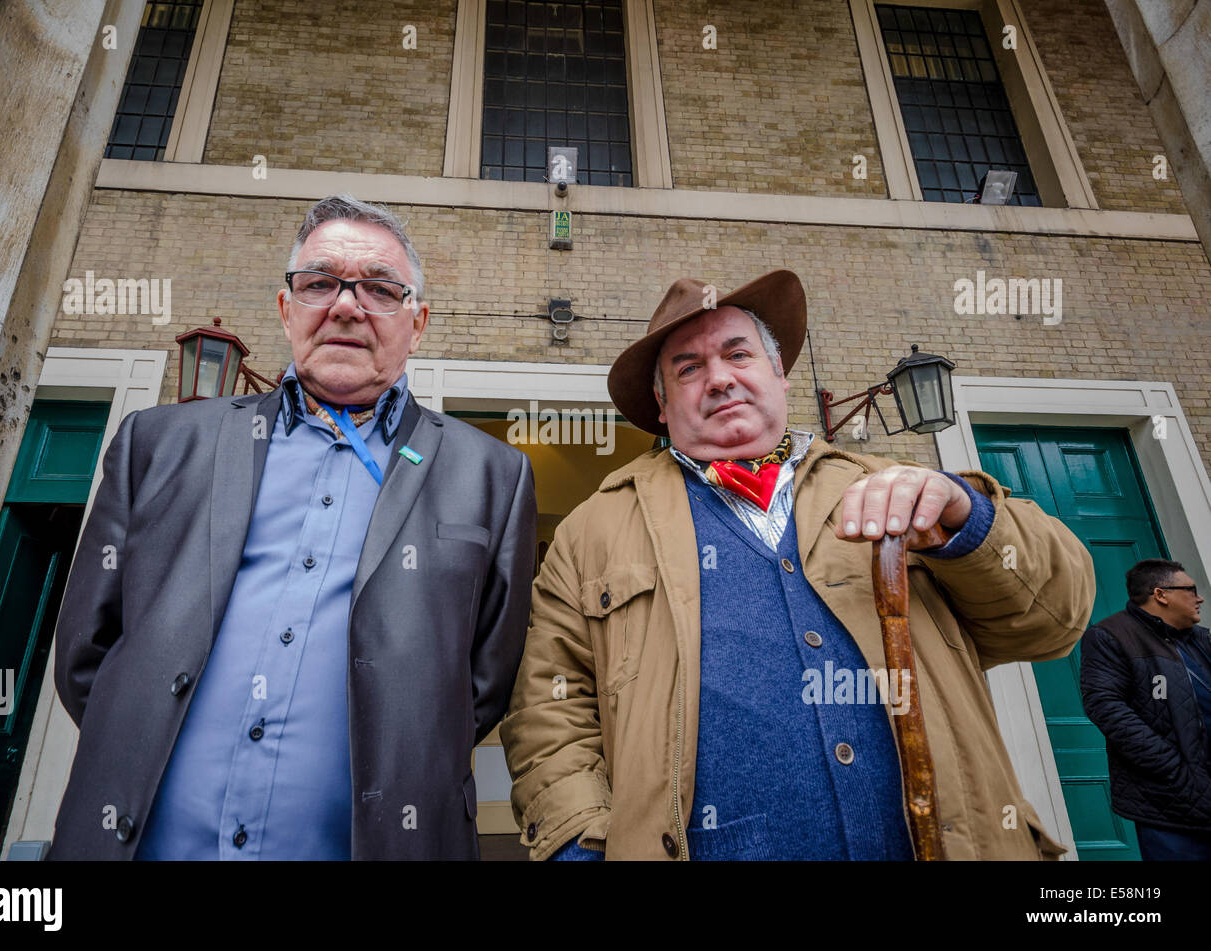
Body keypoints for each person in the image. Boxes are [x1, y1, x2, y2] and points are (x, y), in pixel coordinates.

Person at [499, 268, 1095, 860]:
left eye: (739, 354)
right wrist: (582, 846)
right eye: (688, 368)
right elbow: (549, 711)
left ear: (779, 374)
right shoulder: (593, 530)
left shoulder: (895, 487)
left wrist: (969, 518)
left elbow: (1054, 620)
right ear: (661, 404)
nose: (719, 379)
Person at [48, 195, 536, 860]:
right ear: (287, 309)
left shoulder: (492, 477)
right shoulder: (157, 444)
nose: (345, 305)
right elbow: (89, 656)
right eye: (319, 282)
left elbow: (479, 687)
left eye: (380, 289)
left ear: (417, 323)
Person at [1080, 558, 1211, 860]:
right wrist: (1175, 769)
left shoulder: (1203, 640)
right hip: (1169, 804)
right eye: (1191, 589)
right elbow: (1106, 707)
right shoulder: (1110, 636)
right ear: (1161, 594)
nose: (1199, 597)